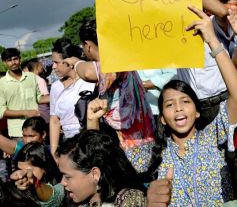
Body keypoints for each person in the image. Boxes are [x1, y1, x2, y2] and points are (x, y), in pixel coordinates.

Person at [143, 5, 237, 206]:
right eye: (170, 104)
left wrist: (212, 41)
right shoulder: (154, 155)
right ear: (162, 116)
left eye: (186, 101)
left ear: (198, 112)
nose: (179, 108)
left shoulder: (213, 136)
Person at [64, 18, 155, 173]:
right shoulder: (119, 58)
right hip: (137, 140)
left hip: (134, 145)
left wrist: (76, 62)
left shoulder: (114, 62)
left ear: (88, 45)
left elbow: (88, 72)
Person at [11, 130, 146, 207]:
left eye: (68, 177)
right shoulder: (79, 195)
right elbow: (53, 195)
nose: (63, 182)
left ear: (95, 174)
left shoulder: (130, 199)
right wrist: (34, 182)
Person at [49, 38, 95, 157]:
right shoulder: (55, 87)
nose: (53, 67)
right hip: (68, 144)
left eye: (57, 62)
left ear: (69, 62)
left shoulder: (89, 81)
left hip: (90, 141)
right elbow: (54, 120)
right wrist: (54, 151)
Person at [0, 48, 49, 138]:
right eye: (9, 60)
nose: (13, 62)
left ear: (20, 59)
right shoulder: (0, 84)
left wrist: (55, 96)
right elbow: (2, 111)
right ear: (4, 63)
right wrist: (26, 113)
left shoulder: (31, 77)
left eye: (15, 59)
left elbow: (38, 98)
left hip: (36, 128)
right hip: (17, 131)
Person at [11, 142, 62, 207]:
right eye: (20, 169)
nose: (23, 175)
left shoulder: (62, 186)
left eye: (29, 170)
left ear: (44, 168)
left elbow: (56, 197)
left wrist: (35, 183)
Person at [23, 59, 50, 124]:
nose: (42, 67)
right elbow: (45, 96)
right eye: (41, 65)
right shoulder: (40, 80)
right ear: (36, 68)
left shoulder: (26, 79)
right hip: (42, 108)